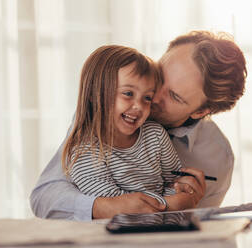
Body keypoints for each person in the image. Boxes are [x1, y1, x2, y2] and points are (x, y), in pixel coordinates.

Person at [30, 30, 247, 220]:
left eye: (173, 96)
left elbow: (192, 236)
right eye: (159, 75)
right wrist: (105, 207)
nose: (150, 97)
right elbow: (44, 197)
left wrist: (188, 207)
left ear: (200, 111)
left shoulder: (216, 156)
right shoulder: (106, 114)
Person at [62, 45, 198, 213]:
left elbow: (174, 182)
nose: (139, 106)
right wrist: (171, 204)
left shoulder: (155, 134)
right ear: (94, 93)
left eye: (147, 97)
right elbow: (115, 206)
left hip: (159, 228)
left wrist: (179, 194)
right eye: (128, 93)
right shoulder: (85, 151)